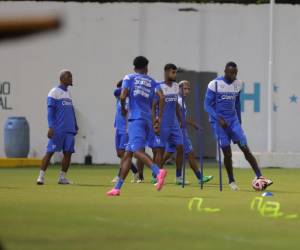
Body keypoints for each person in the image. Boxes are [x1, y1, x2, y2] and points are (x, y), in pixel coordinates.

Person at [204, 62, 273, 191]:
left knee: (245, 148)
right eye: (231, 72)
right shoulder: (215, 84)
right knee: (227, 152)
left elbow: (237, 103)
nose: (234, 75)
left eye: (235, 72)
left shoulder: (238, 84)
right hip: (219, 122)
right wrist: (218, 119)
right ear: (225, 71)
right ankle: (231, 181)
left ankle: (260, 176)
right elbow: (207, 106)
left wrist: (239, 122)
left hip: (233, 122)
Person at [106, 56, 166, 196]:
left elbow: (122, 96)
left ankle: (158, 171)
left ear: (134, 67)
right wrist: (159, 117)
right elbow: (162, 97)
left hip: (135, 119)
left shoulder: (129, 77)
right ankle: (117, 188)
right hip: (147, 120)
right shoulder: (153, 81)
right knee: (128, 154)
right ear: (146, 68)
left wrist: (122, 108)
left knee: (137, 152)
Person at [164, 80, 213, 184]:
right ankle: (200, 178)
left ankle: (157, 174)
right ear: (179, 88)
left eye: (188, 89)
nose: (187, 91)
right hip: (179, 131)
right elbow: (178, 117)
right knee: (190, 153)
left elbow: (182, 118)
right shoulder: (177, 100)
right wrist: (193, 124)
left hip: (176, 130)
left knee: (169, 153)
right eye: (184, 88)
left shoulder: (181, 100)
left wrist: (192, 124)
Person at [36, 69, 78, 185]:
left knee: (68, 153)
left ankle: (62, 177)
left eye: (71, 76)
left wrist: (75, 124)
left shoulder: (68, 94)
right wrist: (50, 127)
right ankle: (41, 177)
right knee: (50, 152)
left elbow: (71, 111)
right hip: (58, 129)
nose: (71, 79)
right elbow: (50, 111)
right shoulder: (54, 92)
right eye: (69, 77)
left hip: (70, 130)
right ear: (62, 78)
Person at [151, 64, 185, 185]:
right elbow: (154, 106)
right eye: (173, 72)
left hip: (174, 123)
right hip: (162, 122)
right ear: (166, 72)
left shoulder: (176, 87)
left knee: (180, 147)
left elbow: (175, 104)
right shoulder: (158, 87)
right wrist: (155, 122)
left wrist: (181, 119)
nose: (175, 75)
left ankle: (179, 177)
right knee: (160, 150)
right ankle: (158, 176)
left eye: (176, 72)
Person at [111, 80, 140, 183]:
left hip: (125, 130)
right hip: (118, 129)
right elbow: (116, 92)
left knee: (124, 153)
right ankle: (136, 172)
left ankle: (119, 176)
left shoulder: (129, 100)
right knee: (120, 154)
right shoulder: (120, 99)